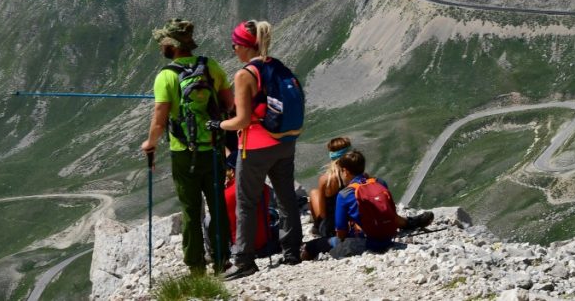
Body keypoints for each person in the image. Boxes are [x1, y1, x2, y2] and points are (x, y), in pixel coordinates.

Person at [141, 18, 233, 275]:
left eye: (163, 43)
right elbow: (228, 103)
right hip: (214, 149)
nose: (161, 47)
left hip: (184, 153)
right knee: (217, 205)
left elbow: (160, 117)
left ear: (171, 45)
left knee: (191, 209)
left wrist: (150, 143)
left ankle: (195, 266)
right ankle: (222, 259)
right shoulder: (210, 66)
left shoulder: (166, 77)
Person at [220, 20, 304, 280]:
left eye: (235, 44)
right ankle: (291, 252)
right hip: (285, 142)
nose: (233, 49)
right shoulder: (276, 65)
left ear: (245, 46)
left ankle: (244, 260)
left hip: (255, 147)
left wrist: (219, 123)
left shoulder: (245, 74)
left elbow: (242, 121)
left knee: (246, 203)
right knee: (286, 197)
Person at [302, 150, 434, 261]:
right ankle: (412, 222)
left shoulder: (344, 194)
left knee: (313, 246)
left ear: (346, 171)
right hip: (388, 236)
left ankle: (300, 260)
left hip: (366, 243)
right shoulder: (379, 183)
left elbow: (341, 233)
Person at [308, 138, 433, 240]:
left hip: (335, 227)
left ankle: (316, 228)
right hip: (360, 220)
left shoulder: (326, 179)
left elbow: (323, 214)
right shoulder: (361, 176)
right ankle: (409, 222)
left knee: (314, 193)